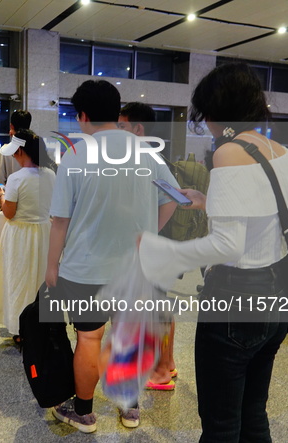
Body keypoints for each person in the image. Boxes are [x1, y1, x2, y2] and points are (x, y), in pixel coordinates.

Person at [137, 63, 288, 442]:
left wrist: (160, 251)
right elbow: (273, 217)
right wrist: (207, 200)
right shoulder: (279, 150)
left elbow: (228, 245)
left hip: (235, 299)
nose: (207, 124)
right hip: (277, 297)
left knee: (220, 424)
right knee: (252, 413)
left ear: (216, 110)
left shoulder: (229, 152)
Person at [46, 80, 177, 432]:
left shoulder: (74, 154)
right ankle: (130, 409)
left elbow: (60, 221)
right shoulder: (146, 152)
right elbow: (172, 198)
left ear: (83, 116)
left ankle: (84, 413)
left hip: (86, 266)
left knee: (89, 337)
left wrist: (51, 266)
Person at [118, 101, 177, 391]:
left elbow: (172, 198)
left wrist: (150, 231)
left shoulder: (148, 159)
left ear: (137, 129)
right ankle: (168, 362)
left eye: (122, 126)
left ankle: (162, 369)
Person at [0, 130, 56, 343]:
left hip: (19, 234)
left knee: (19, 278)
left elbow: (9, 212)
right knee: (39, 279)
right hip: (44, 231)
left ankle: (21, 327)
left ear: (20, 150)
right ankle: (41, 323)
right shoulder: (51, 175)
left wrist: (1, 197)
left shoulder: (16, 179)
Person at [0, 110, 32, 188]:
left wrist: (2, 191)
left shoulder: (6, 150)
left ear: (11, 126)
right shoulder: (37, 148)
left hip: (11, 197)